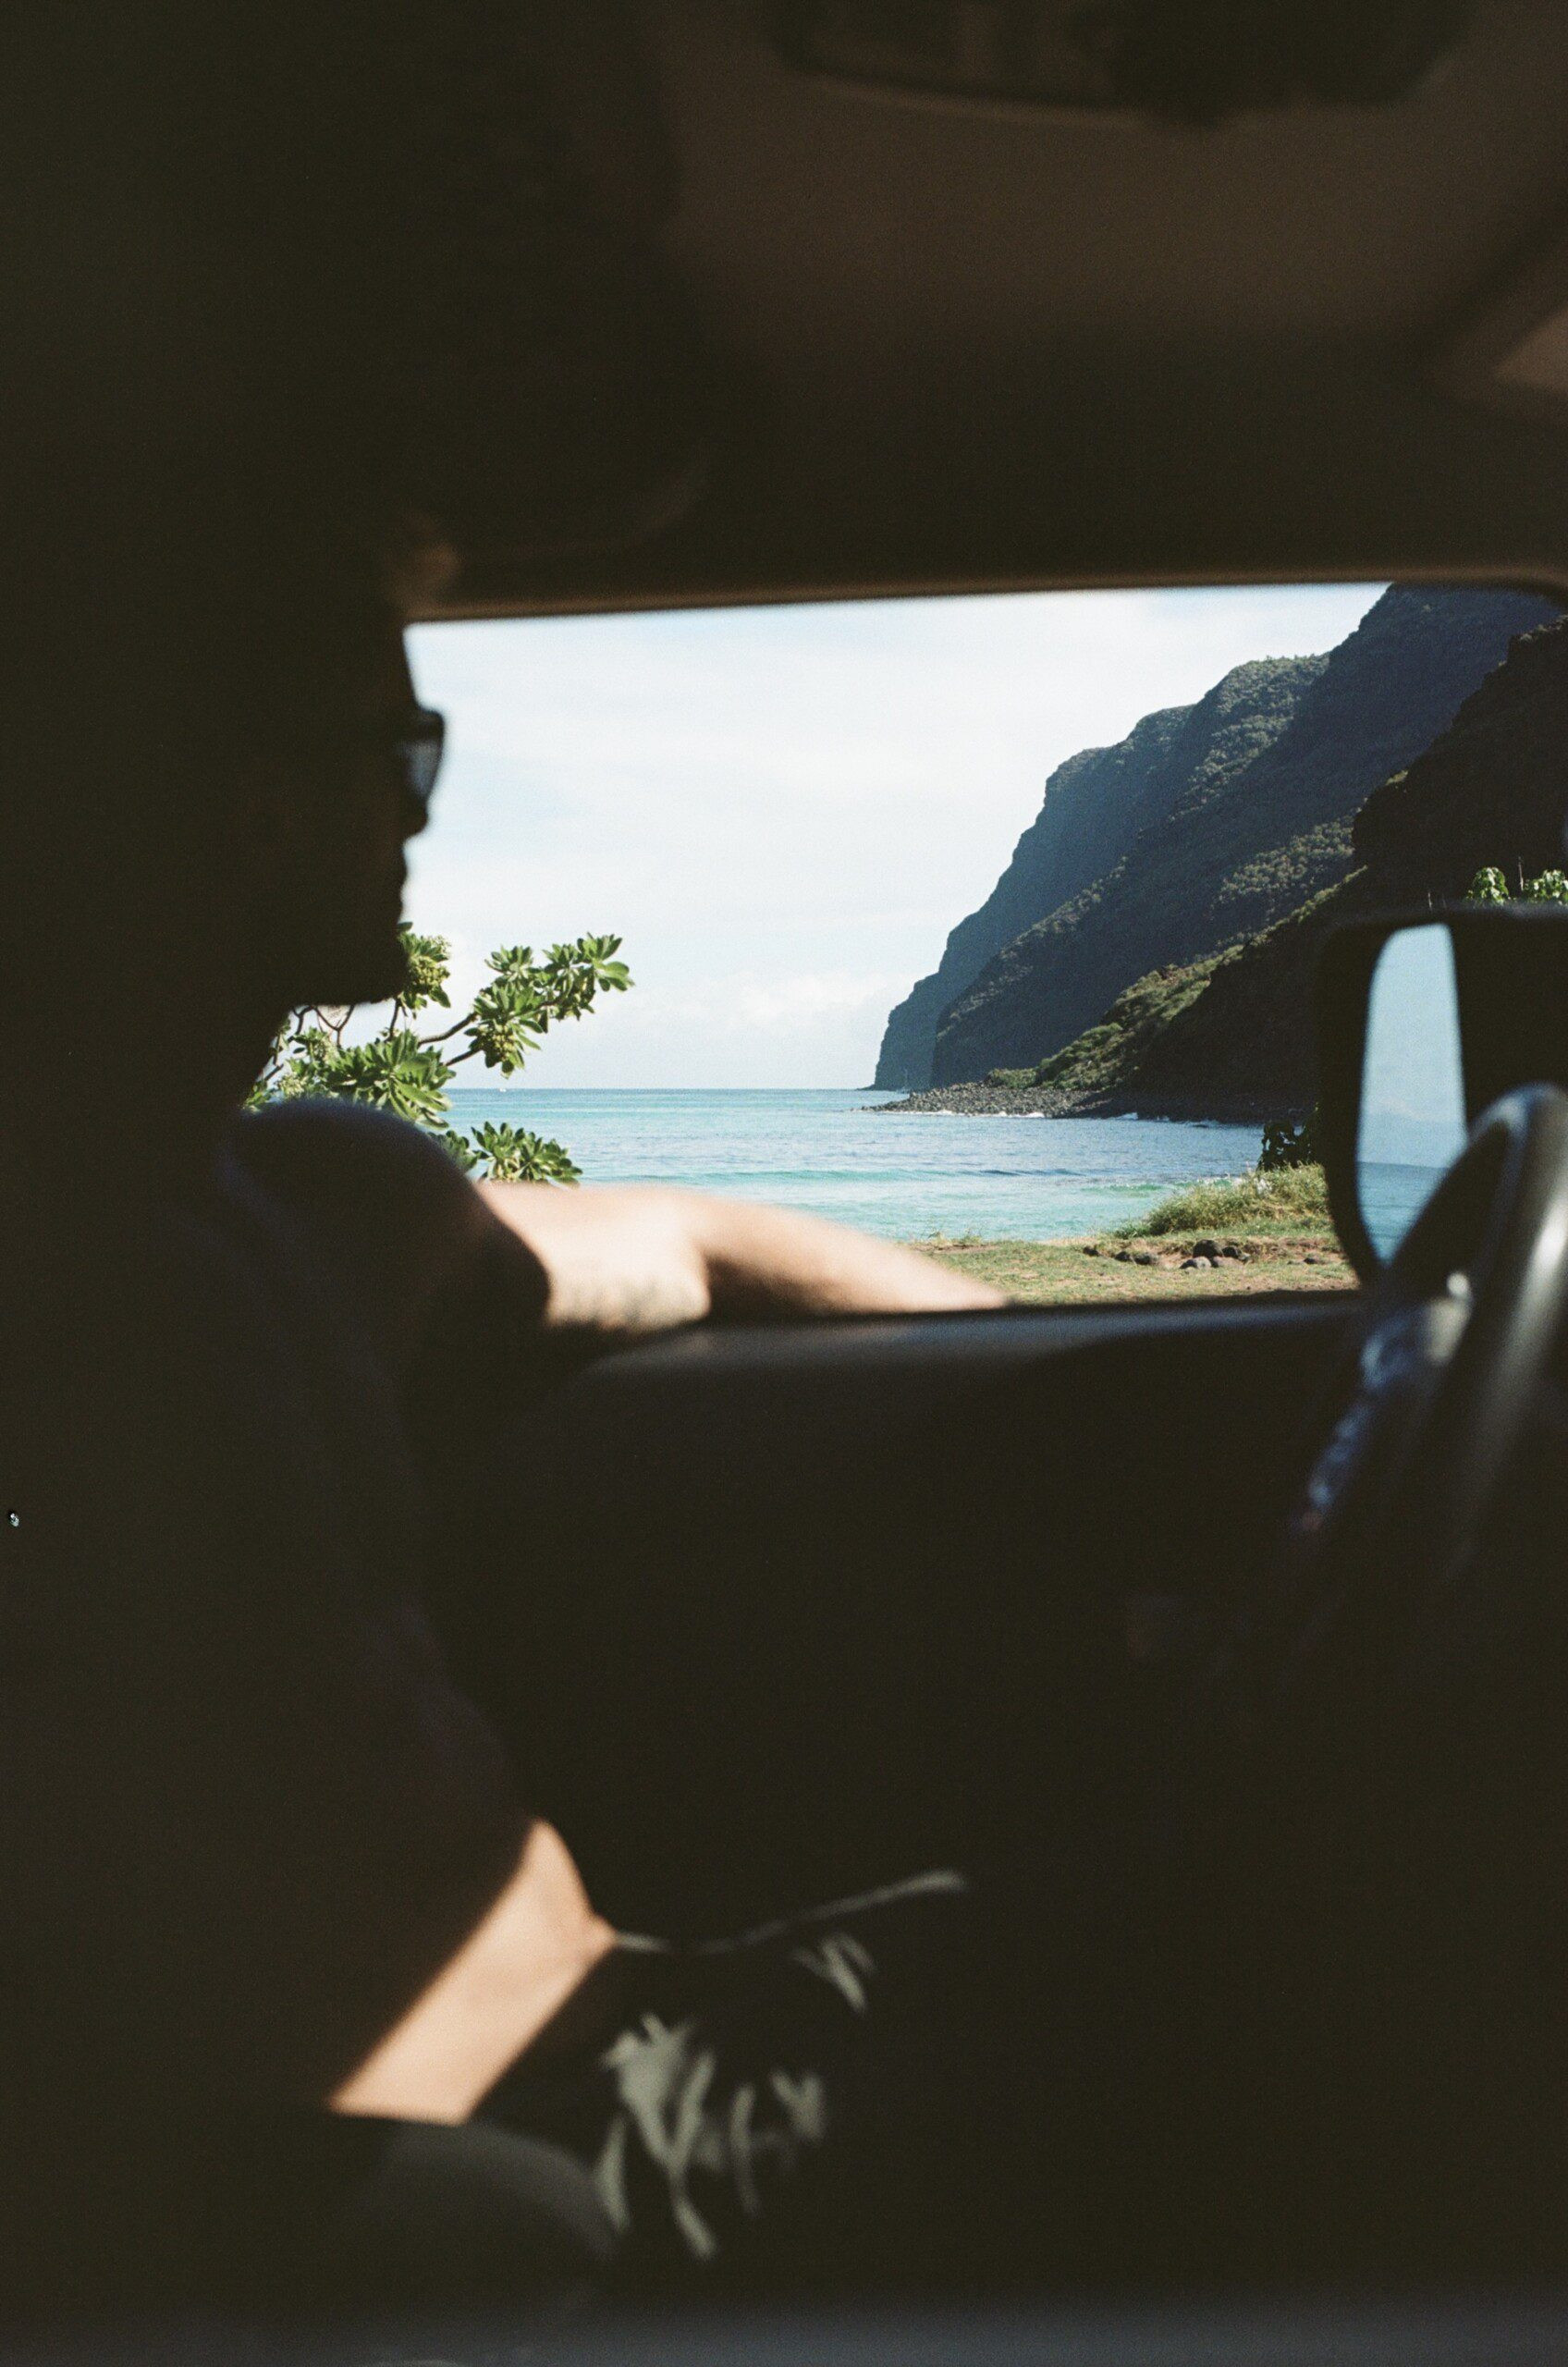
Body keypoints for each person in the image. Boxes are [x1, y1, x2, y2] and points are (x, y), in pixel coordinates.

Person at [0, 503, 1023, 2316]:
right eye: (404, 752)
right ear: (248, 804)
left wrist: (1059, 1379)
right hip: (468, 2181)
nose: (418, 811)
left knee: (1174, 1925)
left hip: (634, 2010)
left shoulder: (314, 1200)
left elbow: (690, 1237)